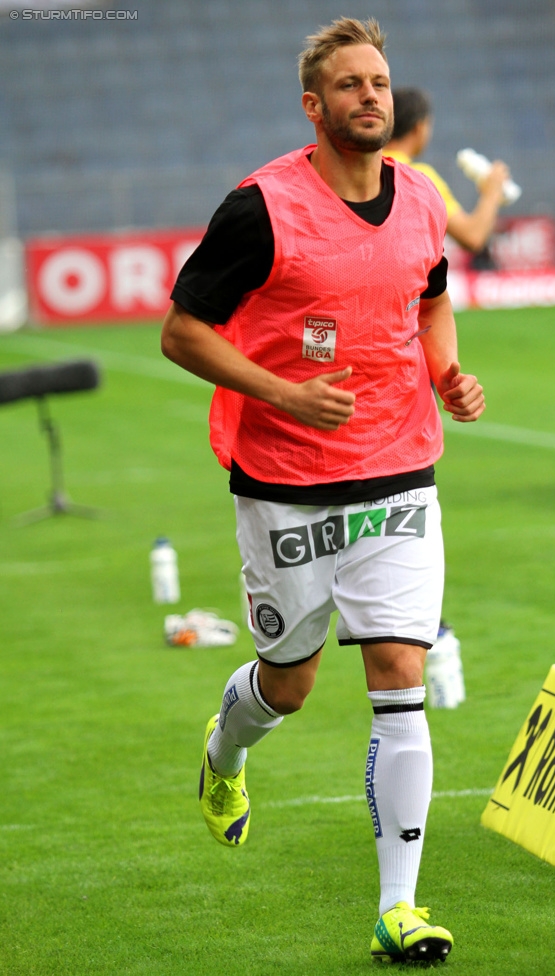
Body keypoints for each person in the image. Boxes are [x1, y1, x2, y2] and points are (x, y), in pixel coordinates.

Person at [161, 17, 485, 964]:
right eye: (348, 85)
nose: (370, 96)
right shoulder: (260, 207)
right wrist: (282, 393)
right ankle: (225, 756)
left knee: (400, 676)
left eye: (378, 81)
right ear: (315, 104)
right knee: (291, 686)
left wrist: (447, 372)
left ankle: (398, 909)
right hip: (285, 485)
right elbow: (183, 331)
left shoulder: (421, 198)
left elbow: (430, 294)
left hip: (398, 473)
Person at [384, 86, 509, 257]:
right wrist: (492, 192)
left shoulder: (362, 166)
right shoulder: (419, 178)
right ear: (419, 128)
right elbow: (472, 236)